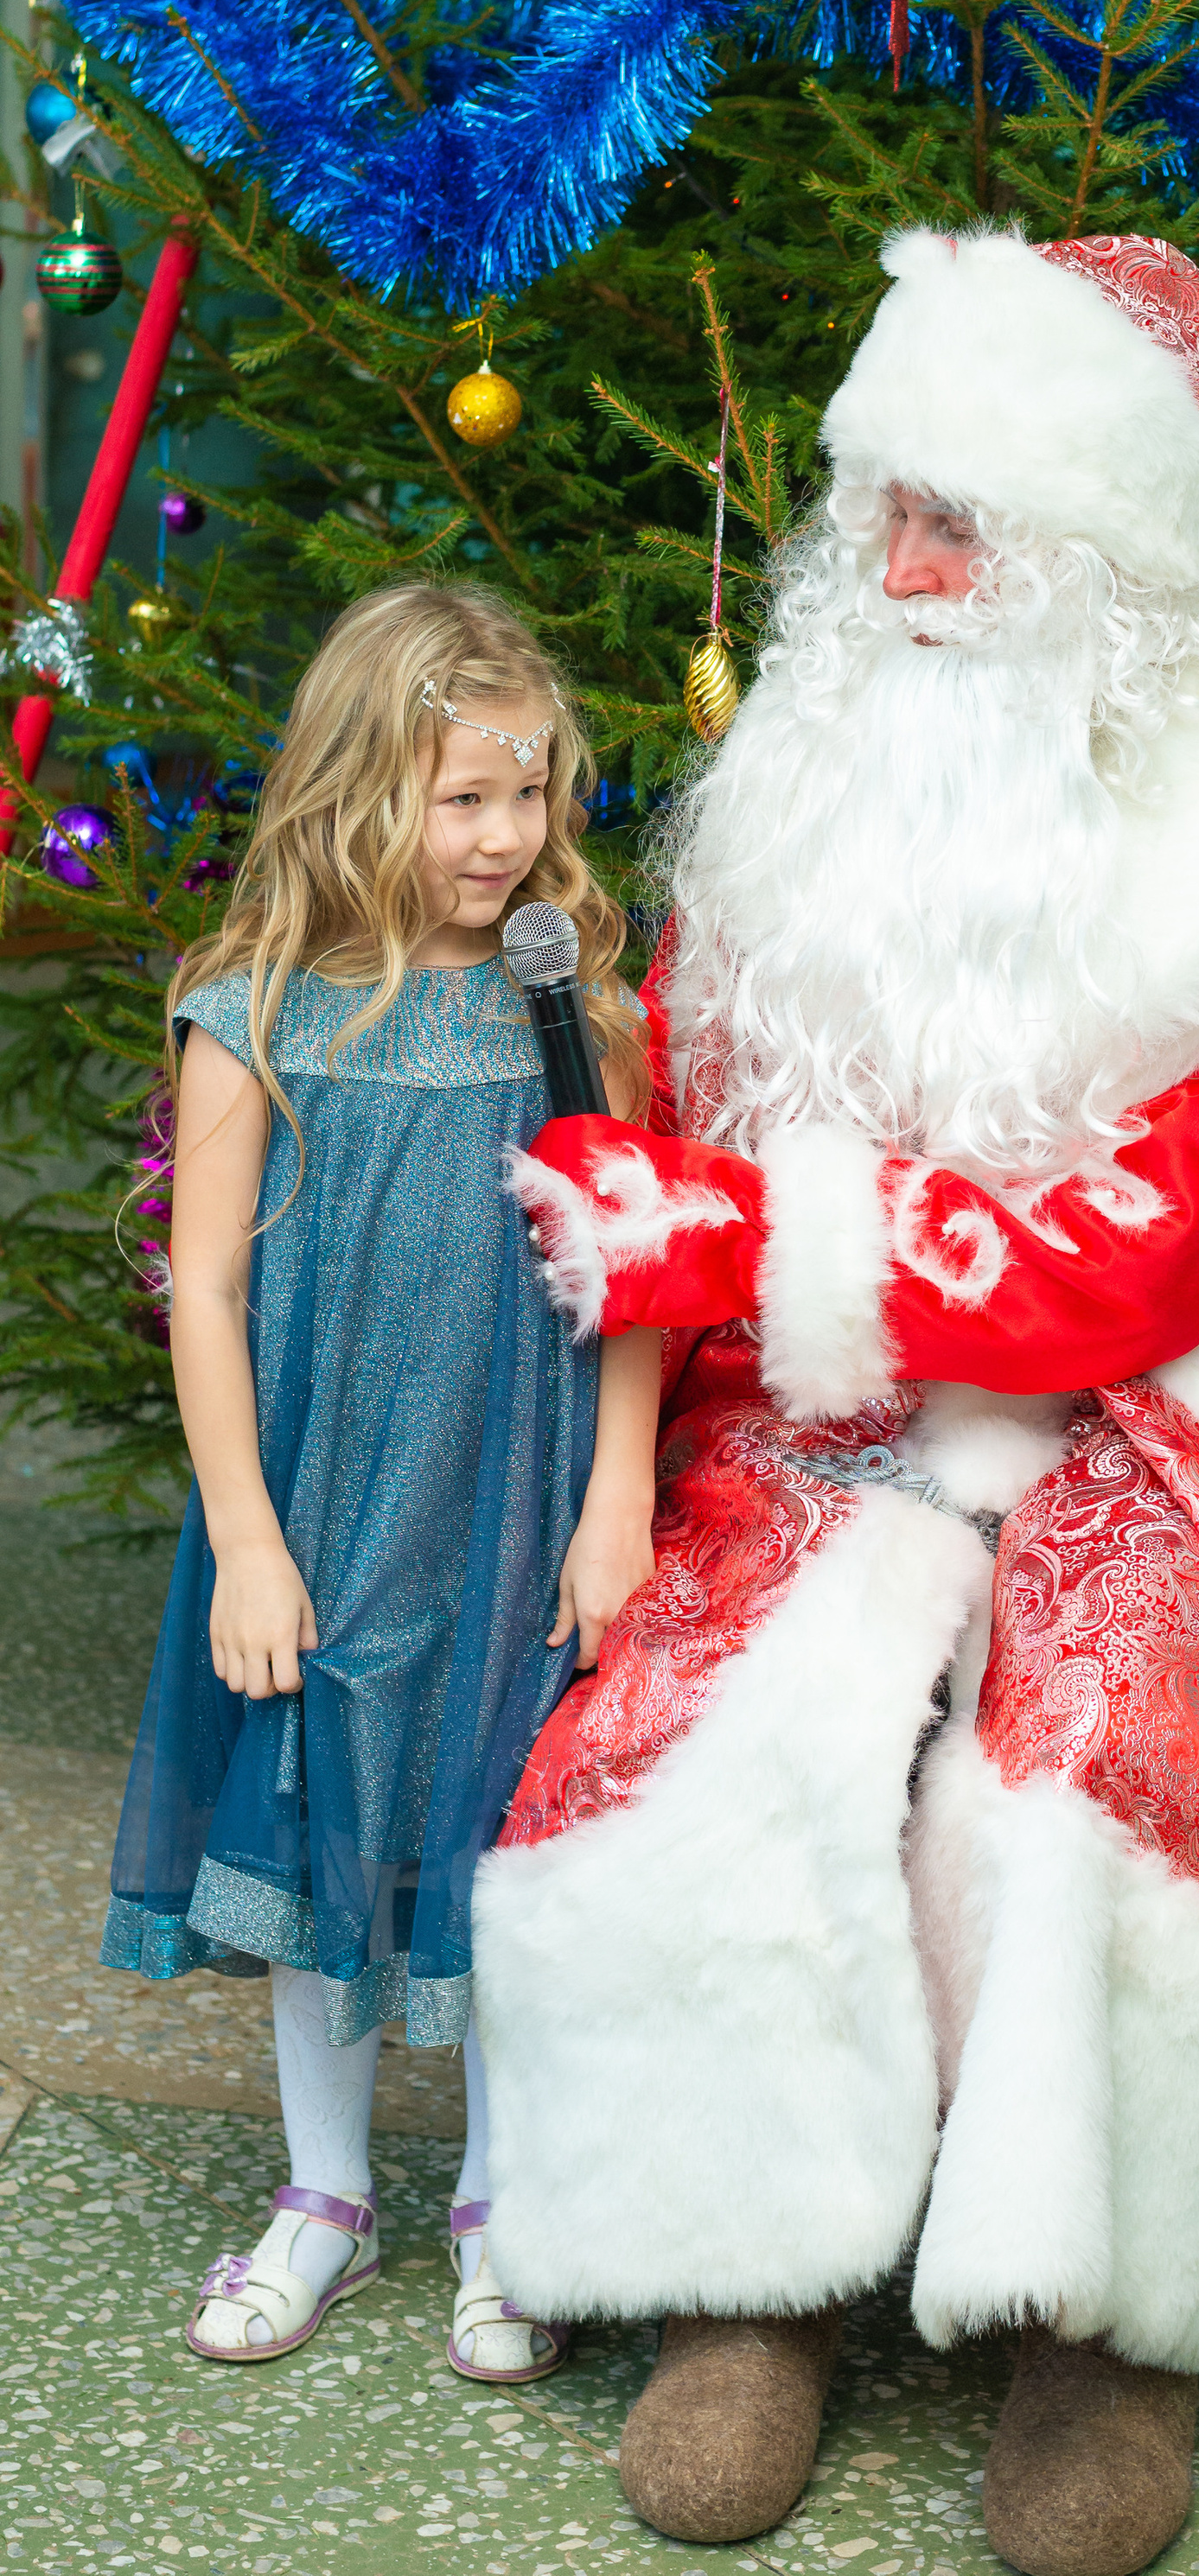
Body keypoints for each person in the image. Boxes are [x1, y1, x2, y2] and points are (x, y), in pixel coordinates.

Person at [483, 226, 1199, 2576]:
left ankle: (1110, 2319)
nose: (908, 563)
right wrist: (678, 1204)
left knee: (1115, 1739)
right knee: (718, 1705)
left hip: (1191, 1407)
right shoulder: (801, 772)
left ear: (1112, 558)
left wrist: (742, 1236)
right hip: (835, 1385)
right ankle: (734, 2270)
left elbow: (1161, 1253)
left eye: (968, 513)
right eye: (886, 501)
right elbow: (702, 1094)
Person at [105, 582, 659, 2381]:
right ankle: (326, 2199)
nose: (505, 840)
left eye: (529, 797)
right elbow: (200, 1285)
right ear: (361, 789)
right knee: (318, 1797)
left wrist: (619, 1495)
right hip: (325, 1488)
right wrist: (249, 1543)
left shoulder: (578, 995)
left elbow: (639, 1262)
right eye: (463, 801)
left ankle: (499, 2206)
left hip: (522, 1481)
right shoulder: (255, 1001)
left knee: (504, 1833)